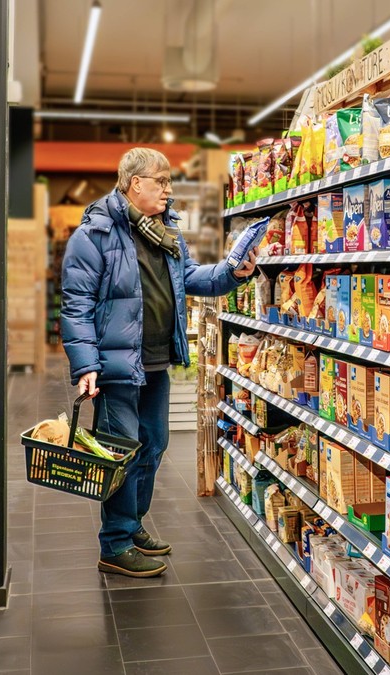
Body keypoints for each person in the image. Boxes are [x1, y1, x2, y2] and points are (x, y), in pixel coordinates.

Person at [60, 148, 256, 578]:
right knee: (120, 454)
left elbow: (187, 279)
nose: (169, 189)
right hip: (115, 366)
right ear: (135, 184)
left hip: (155, 360)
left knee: (154, 445)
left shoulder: (164, 231)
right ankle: (114, 544)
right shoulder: (95, 234)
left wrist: (232, 273)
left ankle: (132, 527)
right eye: (161, 181)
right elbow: (75, 306)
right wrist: (85, 365)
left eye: (169, 181)